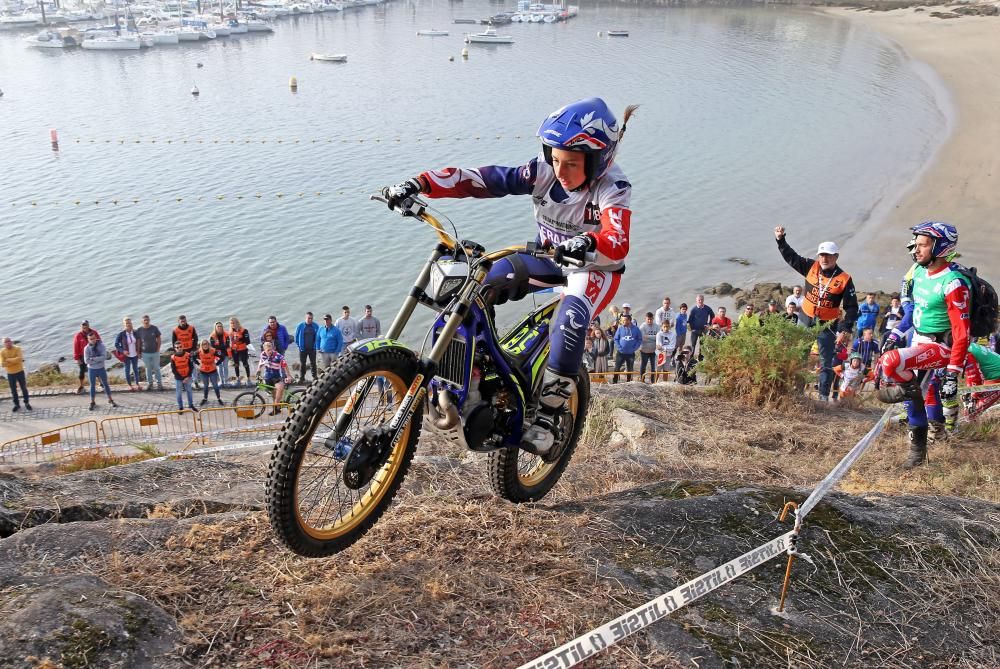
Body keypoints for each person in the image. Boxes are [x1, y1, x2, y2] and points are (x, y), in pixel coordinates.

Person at [383, 98, 638, 455]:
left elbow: (618, 242)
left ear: (598, 162)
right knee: (478, 287)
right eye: (555, 158)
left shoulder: (613, 187)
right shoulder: (543, 172)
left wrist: (587, 242)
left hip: (593, 268)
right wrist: (421, 184)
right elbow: (486, 180)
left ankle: (549, 418)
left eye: (572, 164)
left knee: (569, 320)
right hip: (548, 257)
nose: (560, 170)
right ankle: (476, 378)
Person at [878, 222, 972, 468]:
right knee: (912, 392)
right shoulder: (918, 272)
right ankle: (917, 453)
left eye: (922, 245)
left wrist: (953, 375)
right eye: (916, 244)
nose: (915, 250)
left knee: (892, 363)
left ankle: (907, 395)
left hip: (942, 346)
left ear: (939, 247)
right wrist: (896, 334)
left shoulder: (953, 282)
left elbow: (962, 333)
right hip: (919, 339)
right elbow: (912, 312)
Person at [774, 226, 859, 402]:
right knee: (798, 355)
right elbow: (791, 257)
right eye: (821, 255)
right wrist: (781, 240)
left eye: (828, 255)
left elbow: (851, 307)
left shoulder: (844, 279)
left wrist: (845, 329)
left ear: (836, 257)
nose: (824, 258)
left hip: (826, 325)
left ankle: (823, 397)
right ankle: (797, 392)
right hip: (805, 318)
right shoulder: (810, 266)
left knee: (826, 362)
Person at [257, 340, 293, 415]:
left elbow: (285, 365)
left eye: (271, 349)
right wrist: (258, 371)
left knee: (279, 389)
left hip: (276, 375)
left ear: (273, 348)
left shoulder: (278, 356)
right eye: (268, 350)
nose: (270, 351)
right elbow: (260, 363)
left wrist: (288, 376)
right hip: (267, 376)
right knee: (274, 394)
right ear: (264, 350)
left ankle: (275, 408)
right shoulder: (263, 354)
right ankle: (277, 408)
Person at [84, 331, 116, 410]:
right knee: (92, 386)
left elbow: (104, 357)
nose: (93, 340)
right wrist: (98, 359)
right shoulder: (86, 348)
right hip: (92, 370)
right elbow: (86, 361)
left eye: (94, 338)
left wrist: (93, 359)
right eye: (91, 339)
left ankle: (110, 399)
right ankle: (92, 402)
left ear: (96, 338)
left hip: (101, 368)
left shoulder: (101, 346)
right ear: (88, 339)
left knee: (105, 384)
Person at [2, 337, 31, 412]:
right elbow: (2, 364)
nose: (8, 342)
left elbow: (19, 359)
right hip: (10, 374)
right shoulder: (2, 351)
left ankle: (27, 403)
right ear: (4, 343)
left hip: (20, 371)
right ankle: (17, 405)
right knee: (13, 390)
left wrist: (8, 360)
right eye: (6, 342)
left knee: (24, 388)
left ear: (11, 342)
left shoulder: (17, 348)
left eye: (9, 341)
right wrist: (14, 360)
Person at [612, 314, 642, 384]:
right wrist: (619, 347)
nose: (623, 322)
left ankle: (629, 382)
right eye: (622, 320)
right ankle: (614, 382)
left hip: (630, 353)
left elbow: (639, 339)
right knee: (617, 368)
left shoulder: (636, 329)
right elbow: (616, 339)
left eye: (625, 320)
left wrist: (635, 348)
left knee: (630, 369)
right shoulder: (620, 328)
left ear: (629, 320)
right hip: (620, 353)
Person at [136, 315, 163, 391]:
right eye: (144, 320)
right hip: (145, 353)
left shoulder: (154, 328)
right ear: (142, 321)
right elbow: (138, 342)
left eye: (147, 320)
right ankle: (150, 383)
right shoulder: (139, 330)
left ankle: (159, 383)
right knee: (148, 369)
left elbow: (159, 338)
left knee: (156, 368)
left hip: (155, 352)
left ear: (149, 320)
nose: (146, 321)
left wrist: (158, 349)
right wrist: (138, 352)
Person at [72, 321, 100, 395]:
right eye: (83, 326)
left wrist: (100, 353)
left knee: (96, 369)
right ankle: (81, 386)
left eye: (86, 325)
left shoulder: (94, 332)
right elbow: (76, 347)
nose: (84, 327)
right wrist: (77, 358)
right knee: (82, 372)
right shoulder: (78, 335)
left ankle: (101, 383)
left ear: (88, 325)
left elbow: (99, 342)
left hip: (93, 354)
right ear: (81, 327)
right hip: (82, 356)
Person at [114, 317, 141, 391]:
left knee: (136, 369)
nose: (128, 324)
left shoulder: (135, 332)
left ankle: (137, 384)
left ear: (131, 323)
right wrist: (123, 351)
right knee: (127, 370)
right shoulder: (121, 334)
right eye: (126, 323)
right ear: (124, 324)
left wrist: (139, 352)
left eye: (129, 322)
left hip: (135, 354)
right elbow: (116, 344)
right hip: (126, 355)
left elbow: (139, 342)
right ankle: (129, 385)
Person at [172, 315, 199, 388]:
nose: (183, 322)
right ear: (179, 322)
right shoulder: (175, 330)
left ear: (186, 320)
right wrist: (176, 352)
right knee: (182, 367)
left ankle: (195, 382)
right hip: (181, 351)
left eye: (184, 321)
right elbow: (174, 342)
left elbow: (195, 339)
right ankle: (183, 383)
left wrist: (193, 349)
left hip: (190, 350)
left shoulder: (191, 328)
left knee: (192, 367)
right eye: (181, 321)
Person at [196, 339, 224, 406]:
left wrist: (217, 364)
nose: (205, 345)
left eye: (206, 344)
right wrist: (198, 363)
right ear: (201, 345)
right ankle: (205, 399)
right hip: (203, 371)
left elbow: (222, 356)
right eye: (203, 344)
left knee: (215, 386)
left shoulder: (213, 351)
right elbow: (192, 357)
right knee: (205, 386)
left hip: (212, 371)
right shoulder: (199, 352)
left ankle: (219, 398)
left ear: (208, 344)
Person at [170, 342, 196, 412]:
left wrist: (187, 377)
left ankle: (191, 405)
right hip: (178, 378)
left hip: (188, 377)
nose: (179, 348)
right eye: (177, 347)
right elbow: (173, 370)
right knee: (178, 393)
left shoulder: (188, 355)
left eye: (180, 346)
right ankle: (180, 407)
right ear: (175, 349)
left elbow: (191, 366)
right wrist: (182, 378)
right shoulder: (173, 357)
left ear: (182, 346)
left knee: (189, 391)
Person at [294, 312, 320, 383]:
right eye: (308, 318)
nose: (310, 320)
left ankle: (315, 377)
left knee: (313, 363)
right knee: (302, 364)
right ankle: (302, 378)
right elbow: (296, 337)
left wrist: (316, 346)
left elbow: (318, 337)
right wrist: (299, 345)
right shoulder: (300, 326)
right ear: (305, 318)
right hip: (303, 349)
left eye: (311, 318)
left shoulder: (315, 326)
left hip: (312, 349)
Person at [228, 317, 252, 387]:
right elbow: (229, 341)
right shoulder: (230, 331)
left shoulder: (244, 330)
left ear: (237, 322)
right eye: (231, 323)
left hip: (243, 349)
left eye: (234, 323)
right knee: (236, 364)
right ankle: (238, 379)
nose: (233, 324)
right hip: (234, 350)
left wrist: (240, 339)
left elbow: (248, 341)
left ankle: (248, 379)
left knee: (245, 364)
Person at [638, 312, 659, 383]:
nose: (649, 321)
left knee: (653, 367)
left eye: (651, 319)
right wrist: (653, 337)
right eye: (648, 319)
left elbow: (658, 337)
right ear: (645, 319)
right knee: (643, 366)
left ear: (653, 319)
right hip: (644, 350)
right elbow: (643, 338)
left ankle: (653, 381)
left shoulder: (656, 326)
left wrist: (648, 336)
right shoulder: (642, 326)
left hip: (654, 351)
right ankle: (642, 380)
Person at [209, 322, 231, 388]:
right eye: (218, 326)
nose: (219, 327)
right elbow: (213, 346)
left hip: (225, 353)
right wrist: (222, 346)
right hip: (217, 354)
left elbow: (227, 345)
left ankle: (226, 381)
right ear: (215, 327)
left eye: (220, 326)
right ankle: (221, 381)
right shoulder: (212, 336)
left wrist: (218, 346)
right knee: (219, 368)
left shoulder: (226, 335)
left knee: (225, 367)